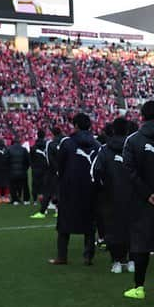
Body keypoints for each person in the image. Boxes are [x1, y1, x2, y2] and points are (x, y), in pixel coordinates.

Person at [122, 100, 154, 299]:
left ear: (142, 116)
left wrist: (148, 194)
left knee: (142, 243)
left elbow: (129, 171)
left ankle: (139, 287)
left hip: (143, 201)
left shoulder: (133, 140)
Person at [49, 113, 100, 266]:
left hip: (69, 189)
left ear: (76, 126)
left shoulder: (67, 143)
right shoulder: (97, 145)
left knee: (64, 224)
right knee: (90, 225)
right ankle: (88, 257)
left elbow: (60, 167)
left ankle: (62, 256)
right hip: (90, 189)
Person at [92, 117, 133, 274]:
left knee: (113, 229)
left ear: (113, 130)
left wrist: (104, 189)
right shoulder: (133, 147)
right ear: (128, 130)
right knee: (131, 228)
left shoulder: (104, 149)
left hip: (110, 196)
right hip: (132, 196)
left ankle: (116, 261)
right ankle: (130, 260)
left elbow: (96, 172)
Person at [31, 127, 63, 219]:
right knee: (58, 191)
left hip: (52, 172)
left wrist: (55, 169)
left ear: (52, 134)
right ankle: (58, 211)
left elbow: (49, 160)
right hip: (62, 171)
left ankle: (42, 212)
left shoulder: (50, 144)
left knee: (48, 192)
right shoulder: (64, 143)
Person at [7, 140, 30, 205]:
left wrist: (9, 169)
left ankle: (15, 200)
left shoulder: (9, 149)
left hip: (12, 171)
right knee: (25, 186)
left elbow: (6, 160)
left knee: (13, 186)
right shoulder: (24, 149)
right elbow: (28, 161)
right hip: (22, 171)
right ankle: (26, 200)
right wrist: (25, 168)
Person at [30, 129, 48, 206]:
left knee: (35, 184)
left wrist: (33, 166)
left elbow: (30, 159)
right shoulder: (47, 146)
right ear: (44, 136)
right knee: (45, 184)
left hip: (36, 169)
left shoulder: (33, 147)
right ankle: (44, 199)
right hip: (45, 168)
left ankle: (34, 200)